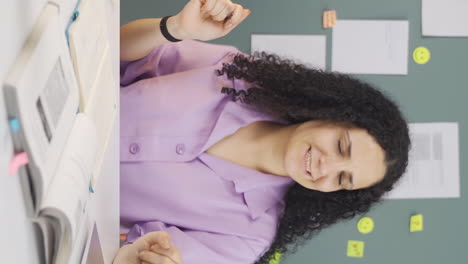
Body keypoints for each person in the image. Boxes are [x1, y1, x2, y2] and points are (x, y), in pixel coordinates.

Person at [115, 0, 411, 263]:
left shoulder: (250, 236)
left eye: (342, 179)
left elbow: (141, 252)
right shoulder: (239, 76)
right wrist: (176, 27)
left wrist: (155, 257)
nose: (327, 167)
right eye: (341, 146)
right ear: (331, 114)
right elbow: (118, 53)